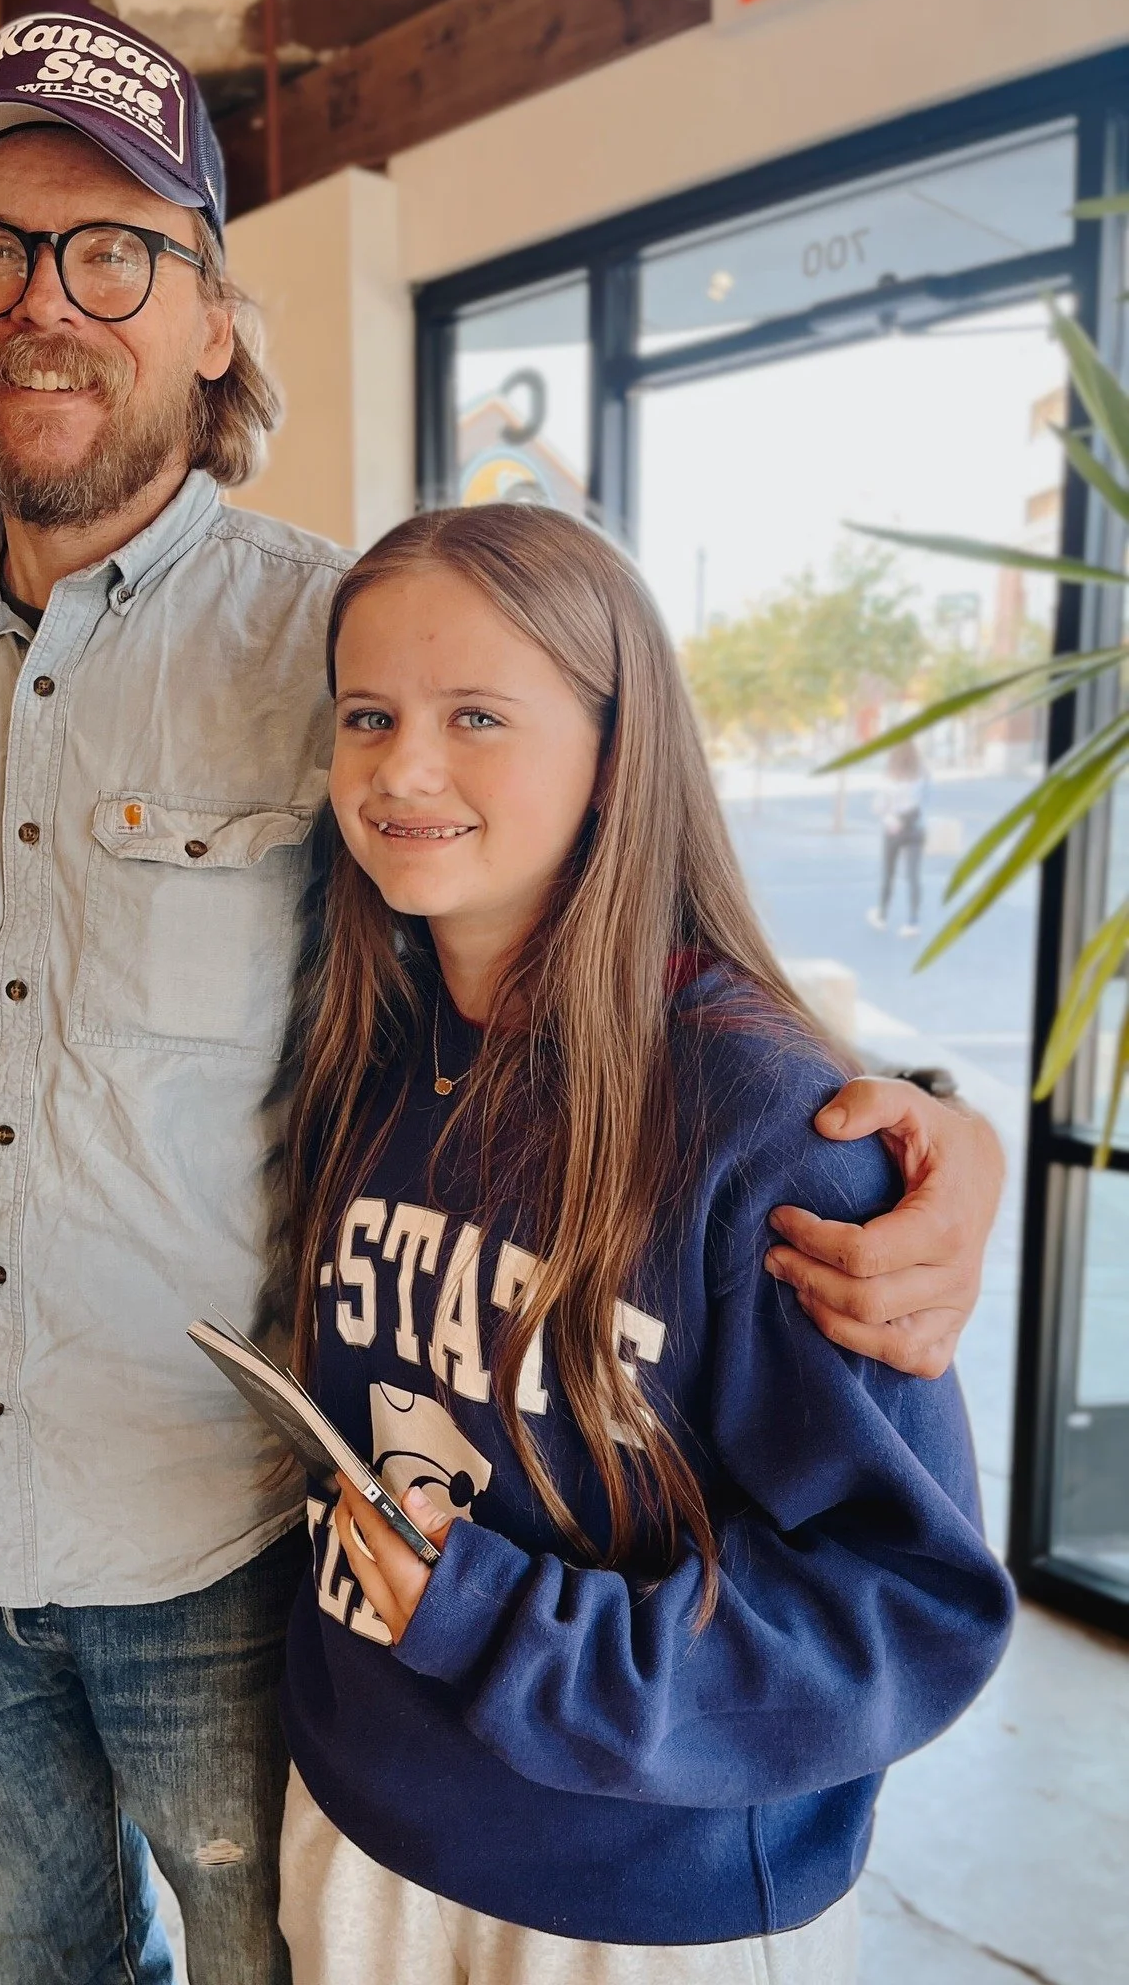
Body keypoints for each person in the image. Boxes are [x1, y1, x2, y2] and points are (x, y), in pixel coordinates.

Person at [0, 0, 1006, 1985]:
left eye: (113, 250)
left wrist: (908, 1118)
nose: (42, 299)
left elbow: (569, 892)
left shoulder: (334, 630)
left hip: (234, 1531)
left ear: (213, 315)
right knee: (21, 1948)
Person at [275, 505, 1014, 1985]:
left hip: (634, 1902)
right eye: (370, 716)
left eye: (476, 714)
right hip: (355, 1829)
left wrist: (500, 1626)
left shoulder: (769, 1127)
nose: (403, 768)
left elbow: (902, 1612)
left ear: (615, 756)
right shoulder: (362, 1049)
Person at [868, 737, 929, 937]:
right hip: (915, 827)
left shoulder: (888, 774)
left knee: (888, 874)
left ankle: (882, 916)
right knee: (913, 876)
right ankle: (913, 922)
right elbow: (925, 802)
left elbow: (879, 806)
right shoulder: (921, 772)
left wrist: (890, 819)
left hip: (893, 827)